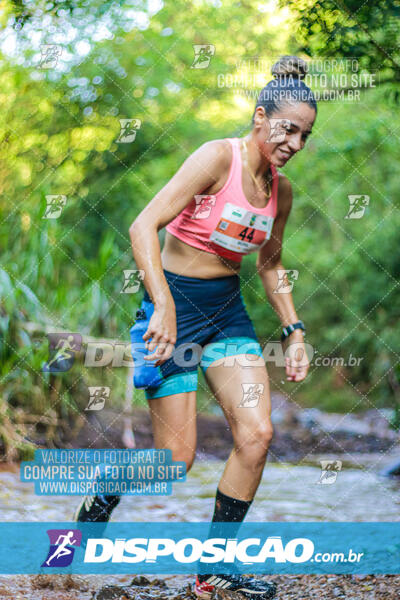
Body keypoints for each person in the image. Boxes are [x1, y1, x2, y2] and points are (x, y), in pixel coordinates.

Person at [75, 54, 317, 599]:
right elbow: (144, 225)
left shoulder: (282, 193)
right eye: (287, 130)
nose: (295, 144)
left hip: (226, 312)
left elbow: (271, 264)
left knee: (257, 435)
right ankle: (98, 501)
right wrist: (160, 304)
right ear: (260, 118)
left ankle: (215, 568)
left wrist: (293, 329)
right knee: (174, 462)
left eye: (304, 135)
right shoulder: (216, 158)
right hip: (174, 309)